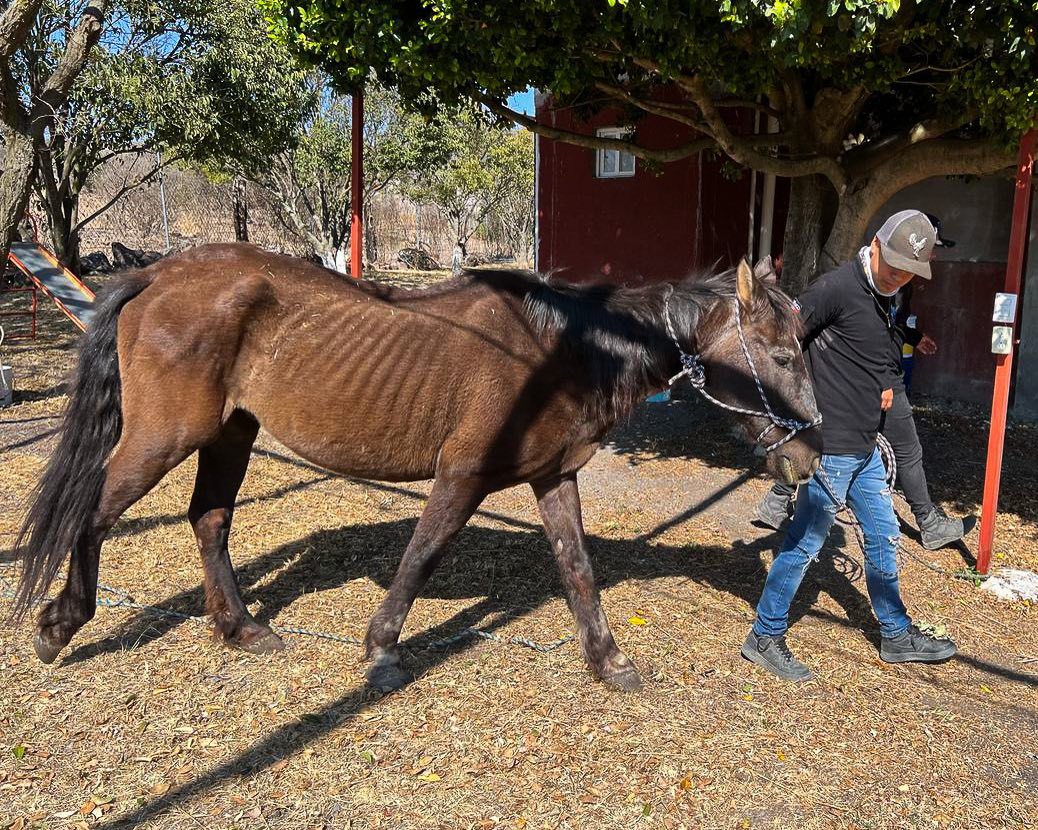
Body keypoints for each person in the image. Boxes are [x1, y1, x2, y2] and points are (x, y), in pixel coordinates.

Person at [742, 210, 957, 681]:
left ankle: (896, 635)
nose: (900, 275)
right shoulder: (833, 288)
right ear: (875, 245)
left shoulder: (887, 295)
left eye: (910, 271)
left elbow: (873, 347)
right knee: (805, 542)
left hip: (865, 446)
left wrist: (881, 380)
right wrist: (791, 424)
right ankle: (764, 634)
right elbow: (784, 347)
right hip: (832, 445)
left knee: (883, 536)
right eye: (895, 264)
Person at [755, 215, 967, 551]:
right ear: (882, 247)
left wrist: (912, 339)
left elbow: (884, 330)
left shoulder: (895, 283)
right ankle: (928, 521)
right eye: (932, 249)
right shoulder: (844, 286)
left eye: (932, 252)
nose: (932, 257)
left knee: (855, 463)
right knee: (900, 449)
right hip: (866, 377)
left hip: (879, 376)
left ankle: (777, 501)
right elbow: (792, 332)